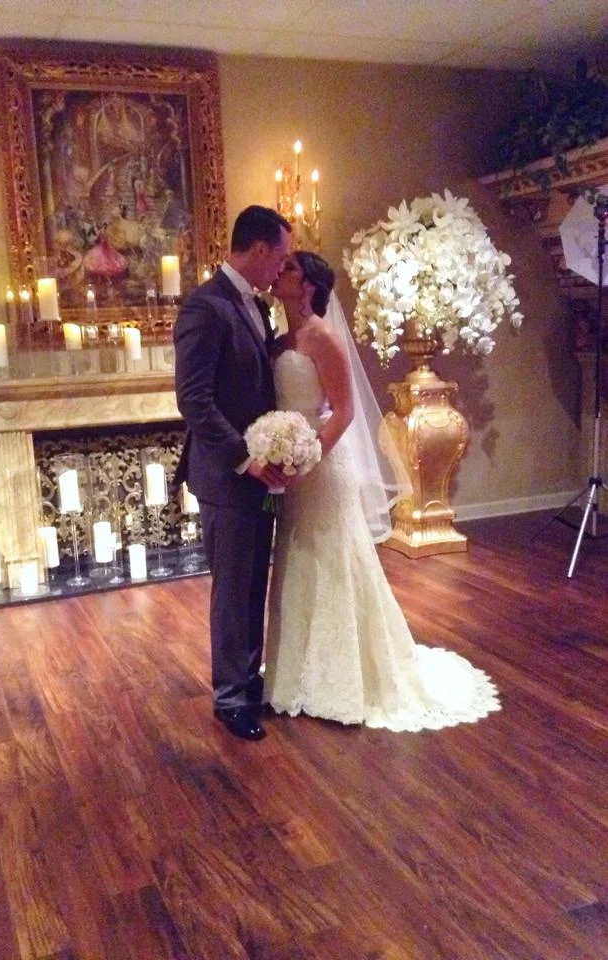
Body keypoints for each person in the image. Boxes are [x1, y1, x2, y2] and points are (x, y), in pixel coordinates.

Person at [264, 251, 501, 731]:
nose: (278, 273)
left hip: (322, 465)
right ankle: (295, 671)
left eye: (288, 269)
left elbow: (345, 410)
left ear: (307, 285)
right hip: (291, 465)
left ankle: (348, 674)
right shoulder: (279, 340)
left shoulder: (323, 338)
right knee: (297, 560)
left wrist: (307, 458)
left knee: (334, 560)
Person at [173, 205, 292, 741]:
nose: (282, 268)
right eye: (281, 257)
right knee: (232, 589)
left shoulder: (257, 307)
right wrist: (246, 457)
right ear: (260, 249)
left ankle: (248, 680)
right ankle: (229, 698)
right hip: (229, 476)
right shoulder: (206, 307)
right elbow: (194, 401)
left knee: (253, 582)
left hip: (261, 476)